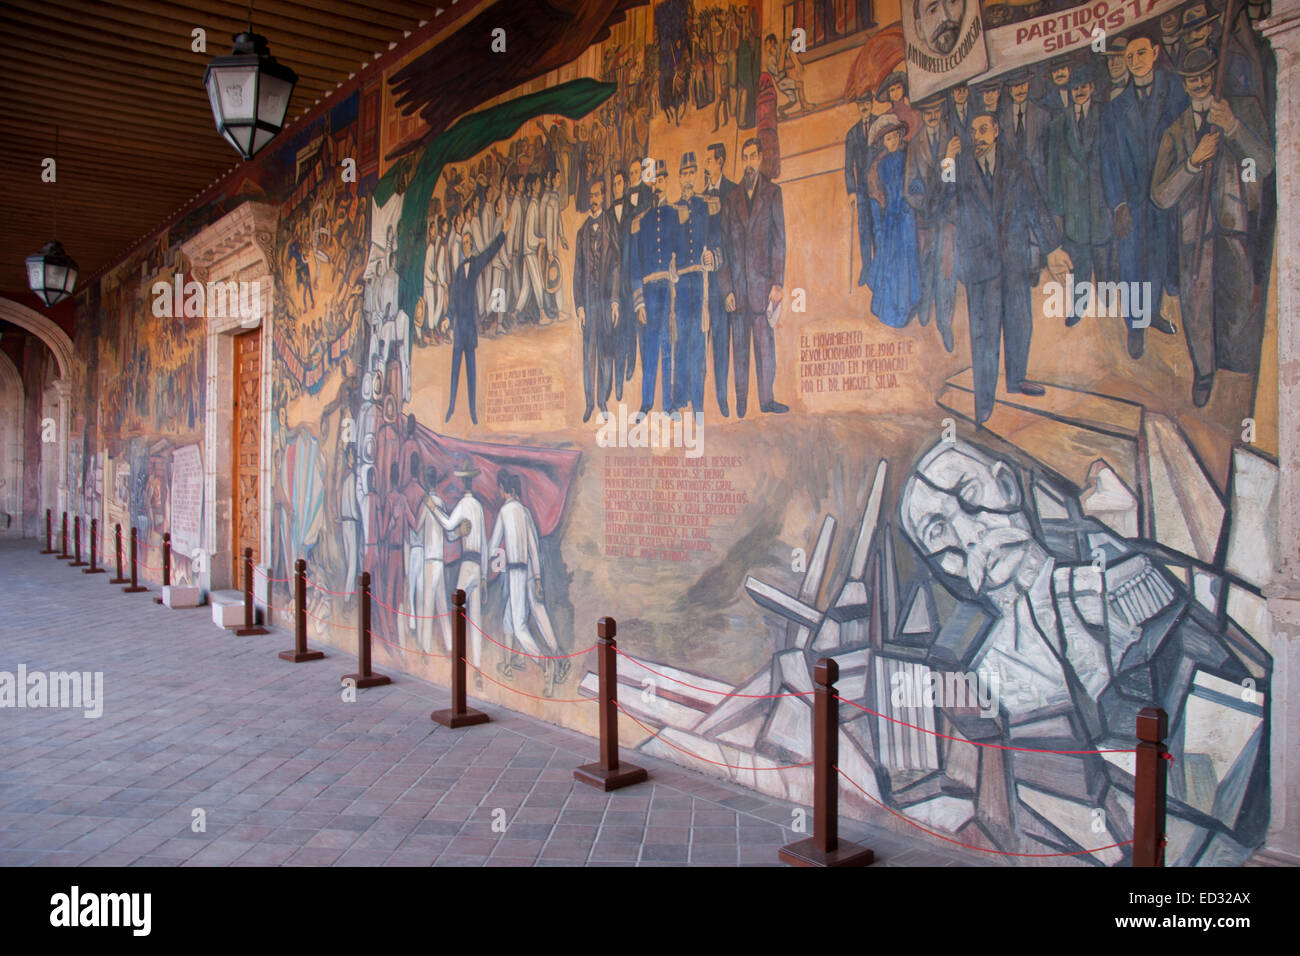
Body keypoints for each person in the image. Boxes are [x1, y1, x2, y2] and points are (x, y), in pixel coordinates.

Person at [1151, 47, 1273, 407]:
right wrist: (1193, 162)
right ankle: (1204, 372)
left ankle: (1238, 366)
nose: (1201, 82)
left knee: (1238, 299)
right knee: (1198, 307)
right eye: (1193, 78)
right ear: (1185, 84)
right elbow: (1160, 196)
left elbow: (1263, 164)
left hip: (1233, 226)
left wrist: (1233, 126)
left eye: (1206, 74)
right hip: (1194, 233)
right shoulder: (1175, 131)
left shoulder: (1240, 111)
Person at [939, 112, 1071, 425]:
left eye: (983, 129)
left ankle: (1016, 379)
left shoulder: (1018, 165)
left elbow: (1036, 208)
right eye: (973, 131)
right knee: (984, 336)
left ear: (997, 130)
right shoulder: (959, 167)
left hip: (1013, 260)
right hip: (979, 263)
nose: (978, 137)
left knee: (1019, 323)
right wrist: (946, 163)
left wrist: (1053, 246)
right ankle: (984, 401)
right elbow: (943, 205)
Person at [1101, 31, 1186, 359]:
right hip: (1133, 202)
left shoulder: (1175, 90)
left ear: (1155, 52)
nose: (1134, 61)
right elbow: (1108, 160)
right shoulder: (1115, 109)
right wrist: (1118, 203)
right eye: (1129, 56)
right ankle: (1134, 327)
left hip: (1165, 196)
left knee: (1158, 259)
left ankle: (1151, 314)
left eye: (1140, 53)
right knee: (1132, 265)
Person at [718, 137, 788, 416]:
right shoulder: (731, 198)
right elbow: (722, 248)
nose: (748, 162)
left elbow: (779, 241)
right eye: (744, 157)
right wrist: (727, 290)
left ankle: (767, 400)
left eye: (752, 156)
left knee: (764, 346)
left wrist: (778, 282)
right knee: (740, 349)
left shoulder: (773, 193)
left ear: (759, 158)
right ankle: (742, 402)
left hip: (762, 287)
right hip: (738, 289)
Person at [488, 470, 569, 695]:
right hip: (531, 573)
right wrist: (538, 579)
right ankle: (554, 657)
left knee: (519, 626)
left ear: (504, 489)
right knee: (534, 617)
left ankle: (545, 663)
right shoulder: (524, 512)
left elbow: (494, 544)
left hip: (514, 573)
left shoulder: (505, 511)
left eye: (499, 488)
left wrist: (488, 563)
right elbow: (534, 547)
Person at [1046, 63, 1112, 324]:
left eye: (1084, 86)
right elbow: (1053, 173)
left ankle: (1108, 300)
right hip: (1073, 210)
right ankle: (1079, 306)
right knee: (1079, 263)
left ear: (1092, 88)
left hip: (1100, 205)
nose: (1079, 92)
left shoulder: (1105, 116)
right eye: (1075, 88)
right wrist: (1058, 212)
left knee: (1105, 260)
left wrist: (1115, 203)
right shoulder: (1058, 125)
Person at [445, 209, 510, 425]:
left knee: (471, 374)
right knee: (454, 372)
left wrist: (503, 234)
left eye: (468, 243)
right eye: (463, 243)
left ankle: (473, 412)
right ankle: (451, 407)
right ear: (461, 247)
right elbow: (453, 299)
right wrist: (447, 317)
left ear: (471, 246)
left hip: (470, 328)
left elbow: (490, 252)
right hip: (458, 330)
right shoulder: (457, 270)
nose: (466, 245)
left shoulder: (474, 264)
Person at [671, 151, 721, 417]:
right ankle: (680, 398)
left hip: (701, 282)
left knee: (699, 341)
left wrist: (713, 255)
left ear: (696, 175)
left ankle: (698, 401)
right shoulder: (672, 209)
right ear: (679, 179)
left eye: (692, 173)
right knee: (681, 338)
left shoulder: (707, 206)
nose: (688, 179)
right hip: (681, 284)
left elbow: (717, 240)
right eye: (684, 174)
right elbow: (669, 248)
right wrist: (671, 265)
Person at [905, 93, 957, 351]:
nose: (933, 116)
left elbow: (954, 182)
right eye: (928, 113)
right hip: (925, 219)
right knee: (926, 267)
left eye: (936, 110)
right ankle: (924, 308)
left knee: (946, 271)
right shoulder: (916, 143)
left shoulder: (953, 140)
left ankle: (945, 324)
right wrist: (921, 203)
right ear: (922, 116)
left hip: (947, 218)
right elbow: (910, 184)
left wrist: (947, 161)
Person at [630, 160, 680, 422]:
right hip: (649, 292)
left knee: (667, 346)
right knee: (649, 348)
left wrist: (676, 272)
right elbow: (634, 264)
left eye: (661, 180)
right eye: (654, 182)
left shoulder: (674, 215)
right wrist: (638, 302)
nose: (657, 186)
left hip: (668, 289)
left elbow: (681, 252)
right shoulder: (642, 222)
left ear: (667, 182)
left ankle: (669, 405)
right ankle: (646, 403)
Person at [573, 179, 622, 423]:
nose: (593, 199)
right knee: (588, 354)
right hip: (589, 302)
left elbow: (615, 266)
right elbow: (577, 272)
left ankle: (603, 400)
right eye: (590, 195)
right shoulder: (582, 232)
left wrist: (614, 301)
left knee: (606, 353)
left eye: (596, 195)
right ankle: (589, 403)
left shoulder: (610, 225)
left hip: (605, 300)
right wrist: (580, 306)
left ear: (602, 197)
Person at [866, 115, 921, 328]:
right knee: (892, 263)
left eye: (895, 137)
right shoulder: (883, 165)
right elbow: (884, 192)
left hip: (906, 217)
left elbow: (914, 182)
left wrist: (912, 199)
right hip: (892, 218)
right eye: (888, 139)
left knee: (907, 260)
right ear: (883, 143)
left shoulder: (909, 158)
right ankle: (893, 309)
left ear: (900, 137)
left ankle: (907, 303)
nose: (893, 142)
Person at [437, 461, 488, 686]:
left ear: (462, 482)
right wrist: (485, 576)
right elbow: (484, 542)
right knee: (475, 618)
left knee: (458, 610)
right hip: (478, 565)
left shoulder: (465, 505)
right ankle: (477, 666)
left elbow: (448, 526)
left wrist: (432, 509)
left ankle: (459, 659)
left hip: (468, 563)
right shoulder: (477, 506)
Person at [703, 142, 739, 415]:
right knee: (707, 342)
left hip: (726, 280)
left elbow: (735, 240)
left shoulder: (733, 192)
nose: (707, 164)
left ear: (721, 161)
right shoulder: (702, 196)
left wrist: (718, 257)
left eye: (709, 160)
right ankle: (707, 398)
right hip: (705, 284)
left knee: (725, 343)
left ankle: (723, 397)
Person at [845, 94, 878, 287]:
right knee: (864, 230)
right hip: (862, 191)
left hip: (879, 189)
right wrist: (851, 191)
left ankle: (878, 270)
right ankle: (867, 267)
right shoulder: (852, 133)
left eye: (867, 102)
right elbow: (848, 166)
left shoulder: (880, 125)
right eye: (861, 103)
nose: (864, 106)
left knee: (878, 230)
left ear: (872, 104)